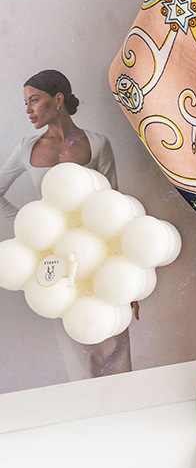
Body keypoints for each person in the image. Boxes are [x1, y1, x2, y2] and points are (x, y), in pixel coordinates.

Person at [0, 69, 133, 380]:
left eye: (34, 100)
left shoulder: (98, 143)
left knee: (114, 344)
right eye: (25, 103)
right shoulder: (26, 147)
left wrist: (131, 282)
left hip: (100, 257)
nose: (28, 109)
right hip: (54, 261)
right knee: (78, 350)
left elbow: (116, 207)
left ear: (58, 99)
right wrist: (28, 226)